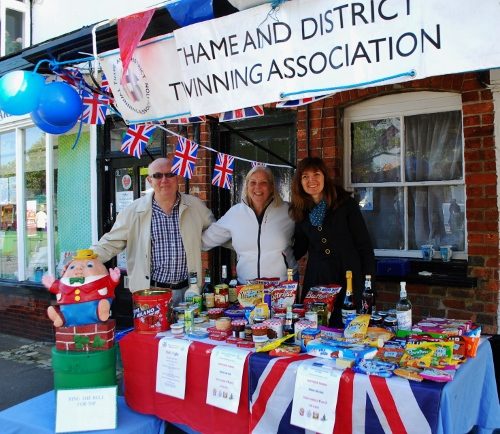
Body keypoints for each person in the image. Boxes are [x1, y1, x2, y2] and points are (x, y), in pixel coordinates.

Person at [91, 157, 215, 306]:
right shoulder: (133, 211)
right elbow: (109, 243)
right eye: (157, 175)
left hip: (189, 291)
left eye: (170, 174)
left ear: (177, 178)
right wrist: (84, 260)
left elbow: (218, 232)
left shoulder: (195, 206)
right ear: (150, 180)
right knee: (151, 330)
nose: (164, 180)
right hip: (150, 292)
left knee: (190, 329)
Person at [289, 157, 375, 327]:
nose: (311, 180)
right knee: (316, 327)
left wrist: (369, 285)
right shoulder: (301, 211)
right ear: (299, 181)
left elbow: (364, 246)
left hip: (348, 277)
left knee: (349, 327)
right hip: (317, 280)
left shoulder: (345, 205)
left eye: (316, 174)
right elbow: (299, 248)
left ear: (325, 177)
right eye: (305, 176)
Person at [202, 165, 297, 284]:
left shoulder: (288, 212)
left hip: (284, 287)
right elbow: (205, 240)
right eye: (253, 182)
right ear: (247, 186)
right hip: (247, 289)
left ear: (272, 187)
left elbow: (305, 239)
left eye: (263, 182)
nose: (257, 187)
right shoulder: (235, 214)